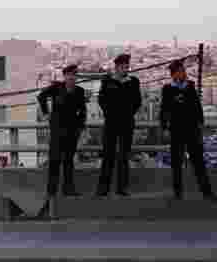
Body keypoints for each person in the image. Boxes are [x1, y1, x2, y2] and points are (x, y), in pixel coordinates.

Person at [160, 59, 217, 201]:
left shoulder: (190, 86)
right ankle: (178, 193)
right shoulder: (168, 89)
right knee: (176, 163)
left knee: (198, 162)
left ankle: (207, 192)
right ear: (174, 74)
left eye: (184, 71)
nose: (184, 74)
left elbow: (197, 107)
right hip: (176, 130)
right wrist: (164, 127)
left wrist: (200, 123)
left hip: (192, 130)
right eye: (181, 71)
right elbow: (164, 110)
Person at [36, 64, 87, 218]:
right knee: (54, 161)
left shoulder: (79, 91)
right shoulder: (56, 88)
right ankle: (51, 191)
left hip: (72, 132)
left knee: (68, 161)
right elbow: (41, 96)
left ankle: (68, 189)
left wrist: (80, 126)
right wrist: (46, 113)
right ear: (64, 76)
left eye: (74, 75)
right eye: (69, 75)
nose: (71, 77)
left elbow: (82, 110)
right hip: (57, 131)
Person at [96, 53, 141, 197]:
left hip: (127, 123)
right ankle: (103, 188)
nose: (125, 69)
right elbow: (101, 100)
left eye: (127, 66)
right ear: (116, 67)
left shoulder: (133, 81)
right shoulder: (107, 81)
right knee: (108, 156)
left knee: (123, 156)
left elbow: (137, 101)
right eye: (122, 67)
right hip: (111, 123)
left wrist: (127, 113)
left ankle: (122, 188)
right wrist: (110, 113)